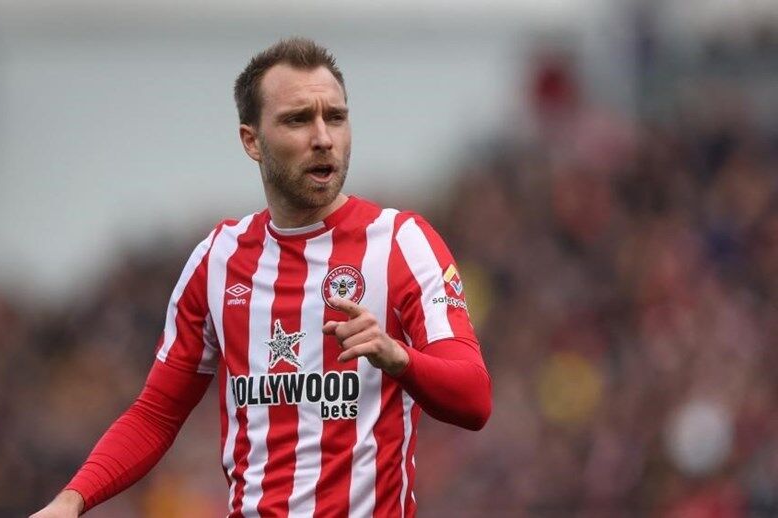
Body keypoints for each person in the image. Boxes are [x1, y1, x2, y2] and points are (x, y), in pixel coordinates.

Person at [31, 37, 491, 518]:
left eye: (335, 117)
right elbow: (157, 413)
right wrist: (71, 501)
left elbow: (475, 399)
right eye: (298, 120)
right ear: (251, 141)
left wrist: (399, 359)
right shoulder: (219, 258)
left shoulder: (401, 243)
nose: (323, 137)